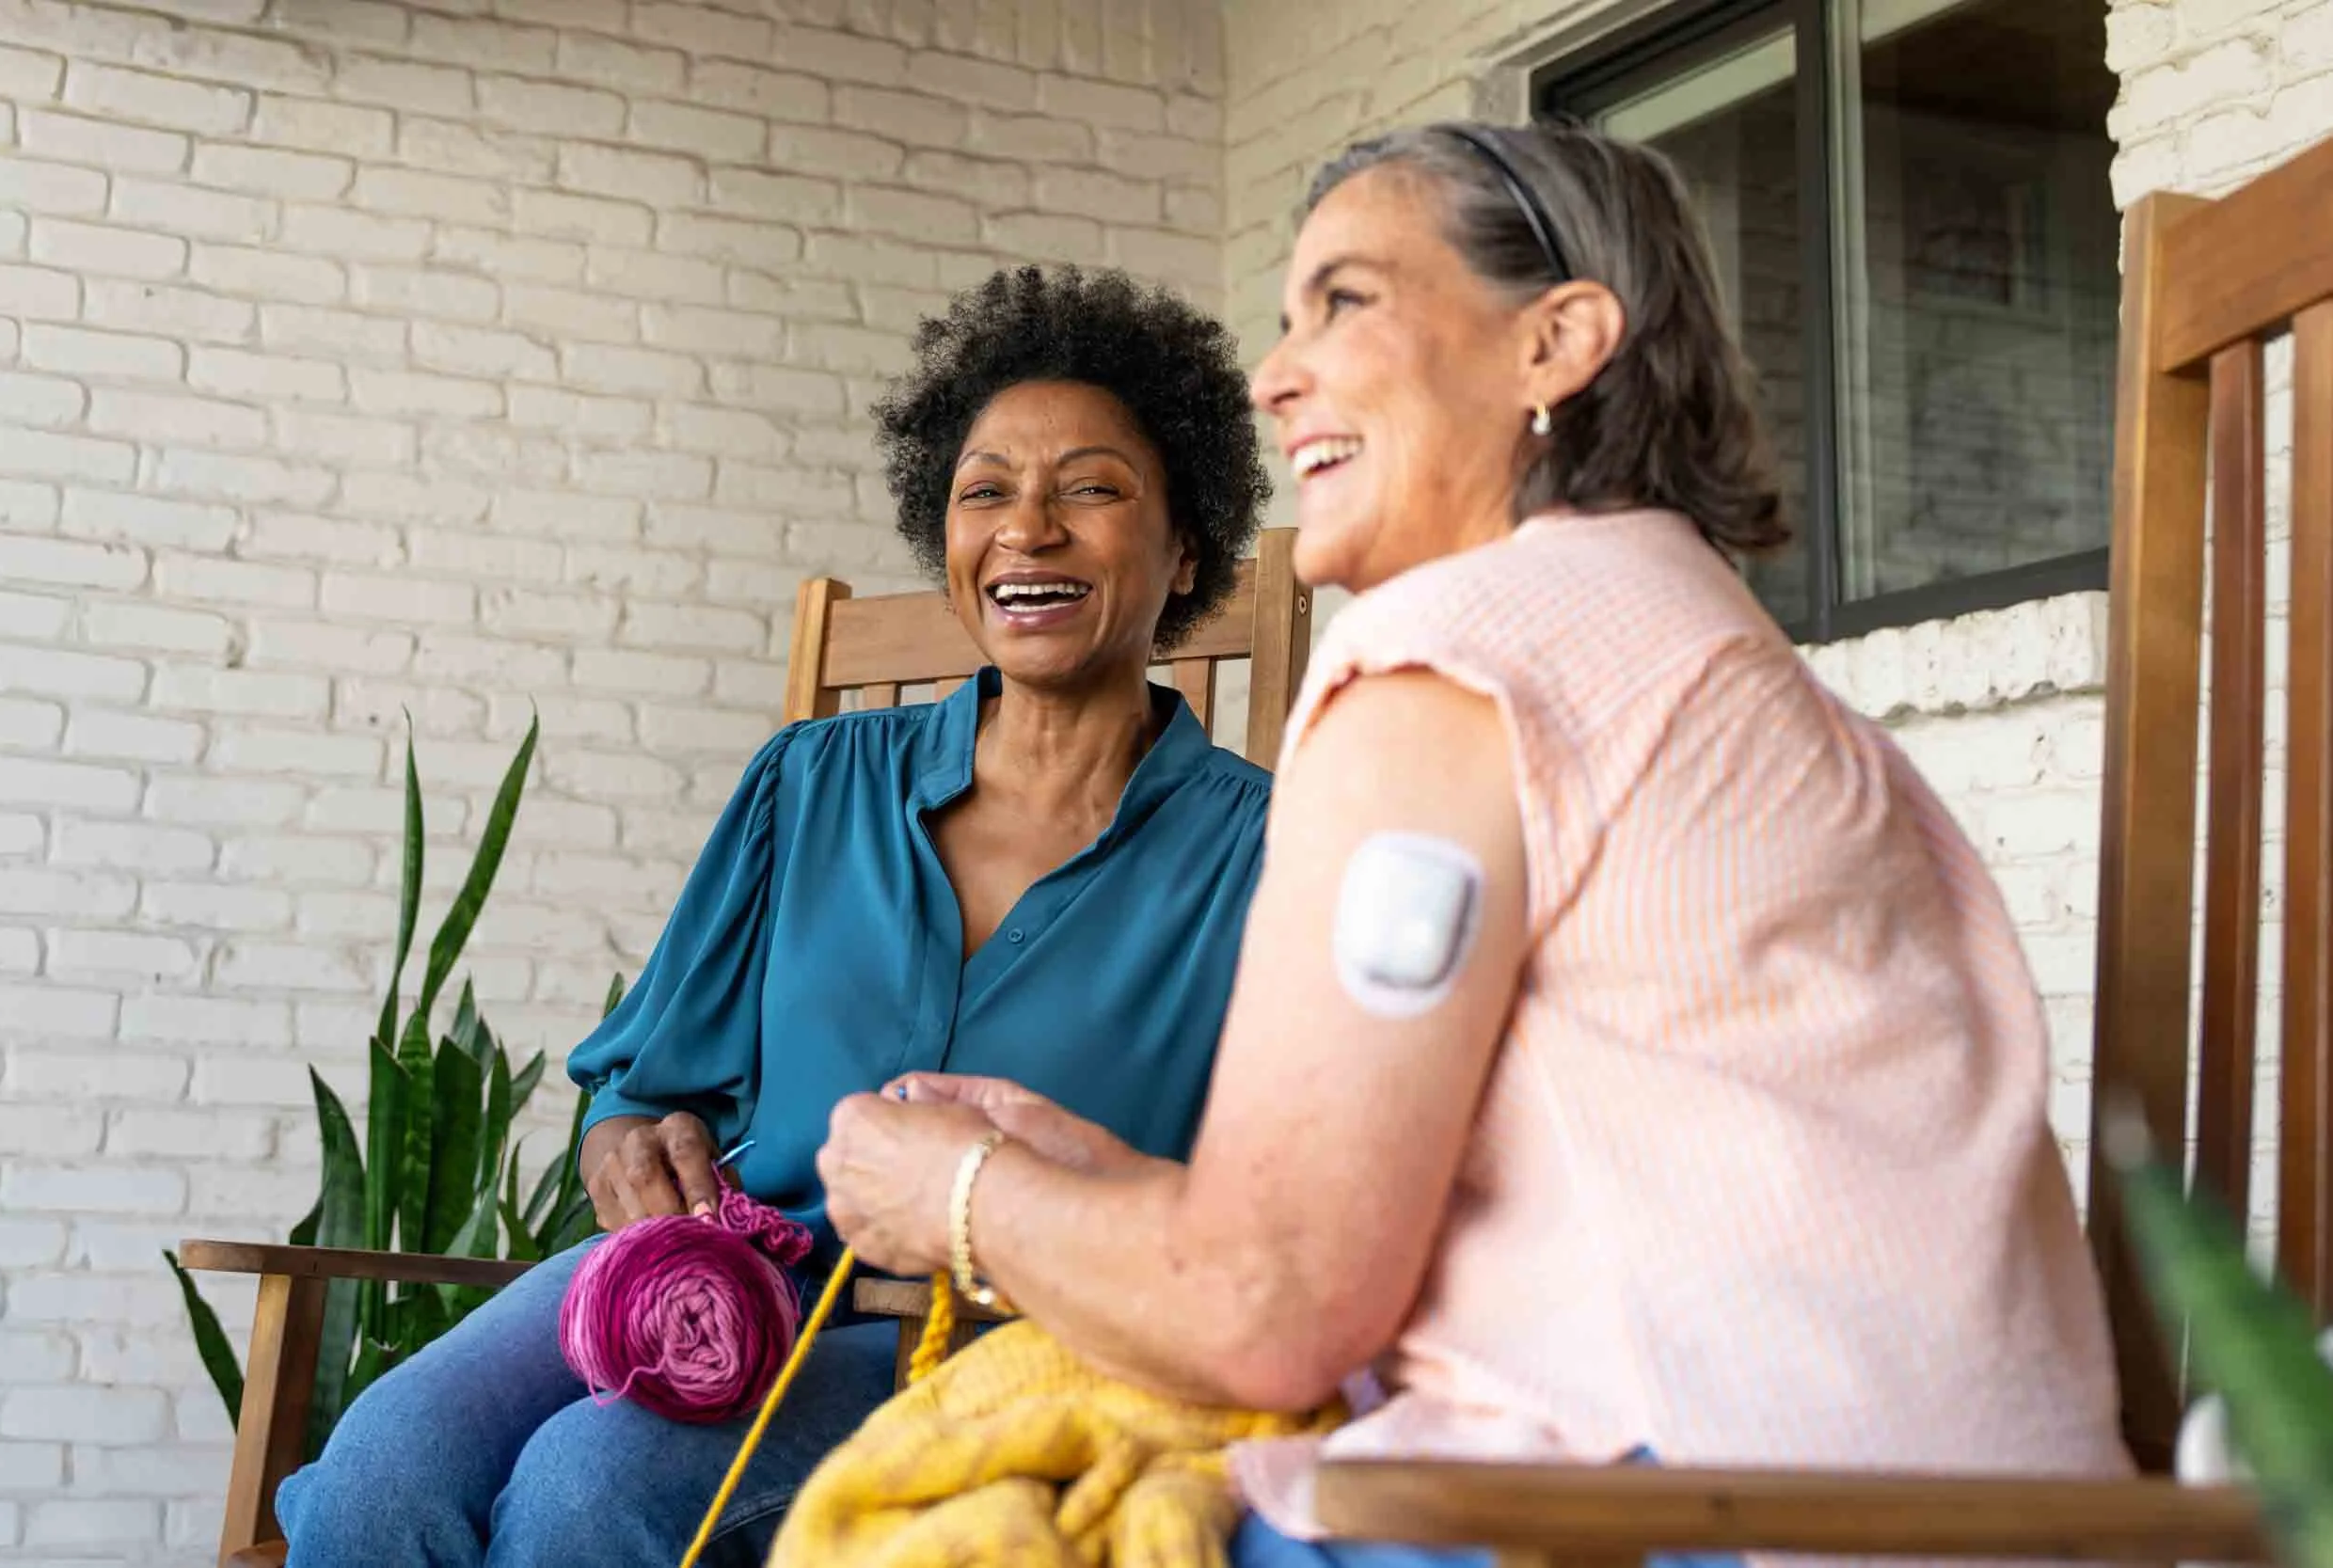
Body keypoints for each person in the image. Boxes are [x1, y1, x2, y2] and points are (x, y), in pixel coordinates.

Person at [816, 120, 2132, 1568]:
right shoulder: (1685, 643)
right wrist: (1091, 1176)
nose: (1275, 375)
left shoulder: (1451, 664)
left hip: (1717, 1514)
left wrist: (956, 1197)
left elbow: (1271, 1308)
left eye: (1347, 301)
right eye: (1283, 320)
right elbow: (1406, 1236)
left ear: (1555, 343)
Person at [273, 263, 1277, 1567]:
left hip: (999, 1342)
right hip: (719, 1280)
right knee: (381, 1462)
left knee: (595, 1487)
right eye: (986, 491)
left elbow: (1257, 1215)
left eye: (1091, 488)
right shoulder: (810, 783)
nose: (1028, 528)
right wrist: (629, 1139)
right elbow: (639, 1082)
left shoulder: (1270, 854)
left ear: (1186, 541)